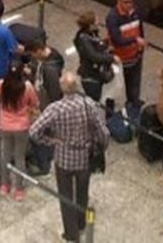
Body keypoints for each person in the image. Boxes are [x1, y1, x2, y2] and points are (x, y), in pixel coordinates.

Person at [30, 71, 110, 243]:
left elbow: (34, 131)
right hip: (84, 157)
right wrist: (101, 146)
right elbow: (102, 131)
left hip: (63, 158)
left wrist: (50, 141)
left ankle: (71, 234)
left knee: (65, 196)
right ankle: (81, 222)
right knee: (82, 192)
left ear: (62, 88)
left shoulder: (55, 109)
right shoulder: (88, 104)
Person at [0, 60, 39, 199]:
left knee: (5, 155)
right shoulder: (27, 87)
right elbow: (35, 103)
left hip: (5, 125)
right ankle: (19, 190)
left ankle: (5, 185)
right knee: (19, 157)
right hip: (22, 127)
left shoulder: (2, 84)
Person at [106, 0, 147, 113]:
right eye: (126, 2)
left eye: (131, 1)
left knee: (134, 83)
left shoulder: (135, 12)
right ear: (119, 1)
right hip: (119, 59)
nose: (129, 4)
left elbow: (140, 29)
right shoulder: (113, 17)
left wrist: (141, 45)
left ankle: (133, 104)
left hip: (135, 55)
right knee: (114, 86)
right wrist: (135, 40)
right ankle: (109, 112)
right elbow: (117, 40)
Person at [73, 12, 115, 103]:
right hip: (90, 76)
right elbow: (93, 56)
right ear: (90, 25)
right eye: (96, 21)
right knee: (93, 101)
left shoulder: (92, 34)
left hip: (97, 73)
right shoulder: (83, 39)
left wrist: (106, 44)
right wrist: (112, 58)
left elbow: (97, 46)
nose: (99, 22)